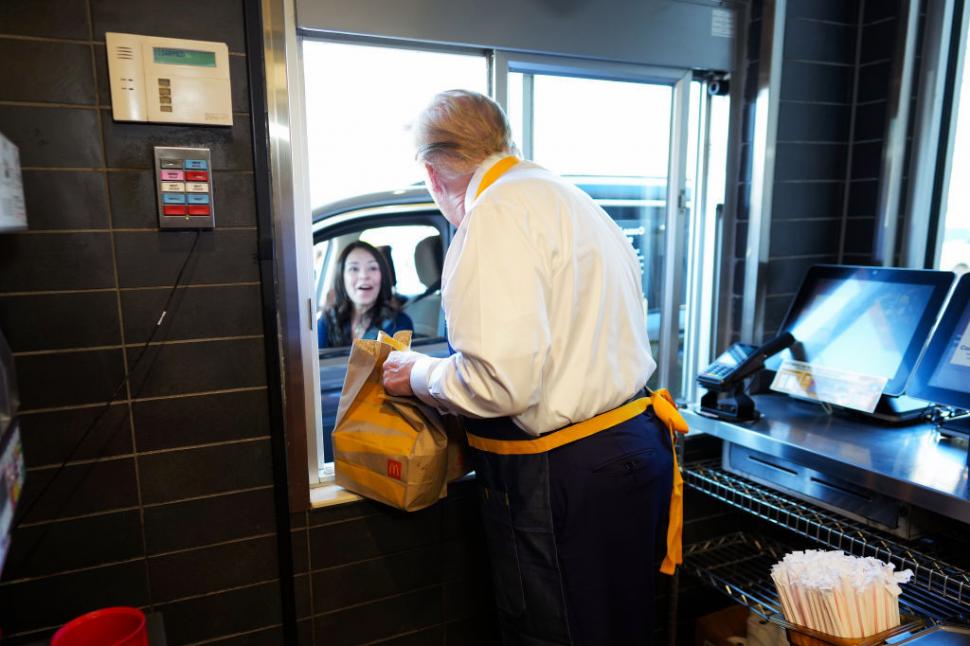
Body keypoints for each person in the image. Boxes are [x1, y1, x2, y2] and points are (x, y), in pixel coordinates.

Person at [382, 90, 684, 645]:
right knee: (622, 629)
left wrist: (418, 374)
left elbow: (500, 385)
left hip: (565, 474)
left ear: (431, 172)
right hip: (635, 450)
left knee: (555, 634)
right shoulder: (569, 197)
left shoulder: (492, 218)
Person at [318, 240, 413, 348]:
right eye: (354, 268)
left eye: (372, 268)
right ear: (341, 277)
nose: (364, 275)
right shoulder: (327, 321)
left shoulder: (399, 324)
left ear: (382, 276)